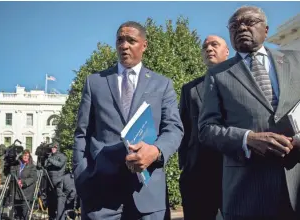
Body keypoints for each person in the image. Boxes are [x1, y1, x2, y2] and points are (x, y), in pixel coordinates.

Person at [73, 21, 184, 219]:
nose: (124, 45)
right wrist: (82, 175)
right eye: (120, 40)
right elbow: (82, 133)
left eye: (131, 40)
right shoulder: (95, 82)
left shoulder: (163, 84)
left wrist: (156, 151)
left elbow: (174, 128)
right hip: (100, 196)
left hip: (148, 196)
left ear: (144, 45)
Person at [198, 6, 300, 220]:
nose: (241, 27)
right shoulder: (218, 74)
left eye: (249, 22)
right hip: (248, 190)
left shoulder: (296, 61)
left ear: (266, 29)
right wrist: (247, 139)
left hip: (296, 179)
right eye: (234, 26)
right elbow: (206, 129)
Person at [178, 35, 229, 220]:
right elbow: (182, 129)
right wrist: (185, 163)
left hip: (234, 168)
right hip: (198, 174)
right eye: (205, 46)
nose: (208, 49)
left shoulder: (242, 83)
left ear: (227, 51)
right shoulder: (189, 89)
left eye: (214, 44)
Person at [45, 142, 67, 220]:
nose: (52, 149)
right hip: (49, 182)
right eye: (52, 148)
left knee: (59, 202)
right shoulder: (50, 156)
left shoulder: (62, 156)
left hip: (59, 183)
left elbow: (59, 164)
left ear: (58, 148)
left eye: (54, 147)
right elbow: (45, 166)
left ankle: (60, 218)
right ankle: (51, 217)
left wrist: (50, 159)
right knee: (50, 201)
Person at [14, 149, 37, 220]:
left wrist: (23, 183)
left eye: (27, 155)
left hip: (26, 192)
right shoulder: (18, 165)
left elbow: (33, 178)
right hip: (17, 192)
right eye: (24, 155)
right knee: (17, 212)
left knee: (24, 213)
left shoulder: (32, 166)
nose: (26, 157)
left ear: (29, 157)